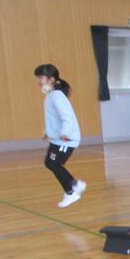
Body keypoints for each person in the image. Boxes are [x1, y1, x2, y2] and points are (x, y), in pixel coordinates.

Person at [34, 64, 86, 208]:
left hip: (66, 138)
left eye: (41, 77)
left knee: (54, 164)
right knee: (49, 163)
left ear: (51, 79)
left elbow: (67, 116)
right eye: (38, 78)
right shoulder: (51, 96)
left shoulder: (56, 96)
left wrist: (65, 133)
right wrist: (48, 132)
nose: (39, 81)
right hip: (57, 138)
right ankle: (75, 184)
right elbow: (53, 118)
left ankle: (71, 192)